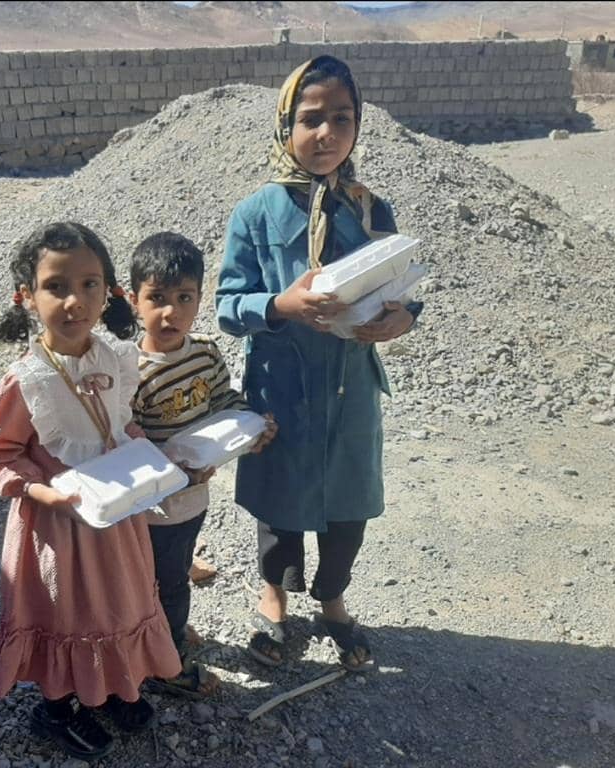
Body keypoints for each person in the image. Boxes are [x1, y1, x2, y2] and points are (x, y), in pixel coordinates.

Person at [215, 56, 423, 670]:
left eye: (342, 118)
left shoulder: (370, 210)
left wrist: (404, 318)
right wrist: (282, 305)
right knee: (279, 502)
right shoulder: (255, 213)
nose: (327, 133)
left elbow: (401, 285)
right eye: (311, 119)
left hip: (351, 387)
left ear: (358, 125)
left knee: (347, 503)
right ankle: (274, 598)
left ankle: (333, 603)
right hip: (281, 387)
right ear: (286, 126)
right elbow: (228, 306)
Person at [0, 222, 181, 762]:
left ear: (109, 291)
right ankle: (56, 708)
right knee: (66, 613)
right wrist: (39, 492)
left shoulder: (114, 358)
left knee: (117, 600)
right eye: (56, 286)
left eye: (90, 284)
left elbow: (119, 423)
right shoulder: (28, 380)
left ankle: (109, 685)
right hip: (59, 528)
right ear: (27, 297)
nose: (75, 301)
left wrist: (151, 457)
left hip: (115, 519)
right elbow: (1, 451)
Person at [128, 231, 277, 698]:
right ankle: (167, 662)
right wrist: (173, 474)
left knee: (172, 568)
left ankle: (162, 631)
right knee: (165, 582)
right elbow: (126, 445)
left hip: (194, 497)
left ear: (199, 299)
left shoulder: (205, 352)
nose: (170, 312)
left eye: (184, 298)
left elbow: (222, 401)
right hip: (154, 507)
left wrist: (253, 425)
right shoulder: (129, 370)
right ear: (134, 301)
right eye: (156, 298)